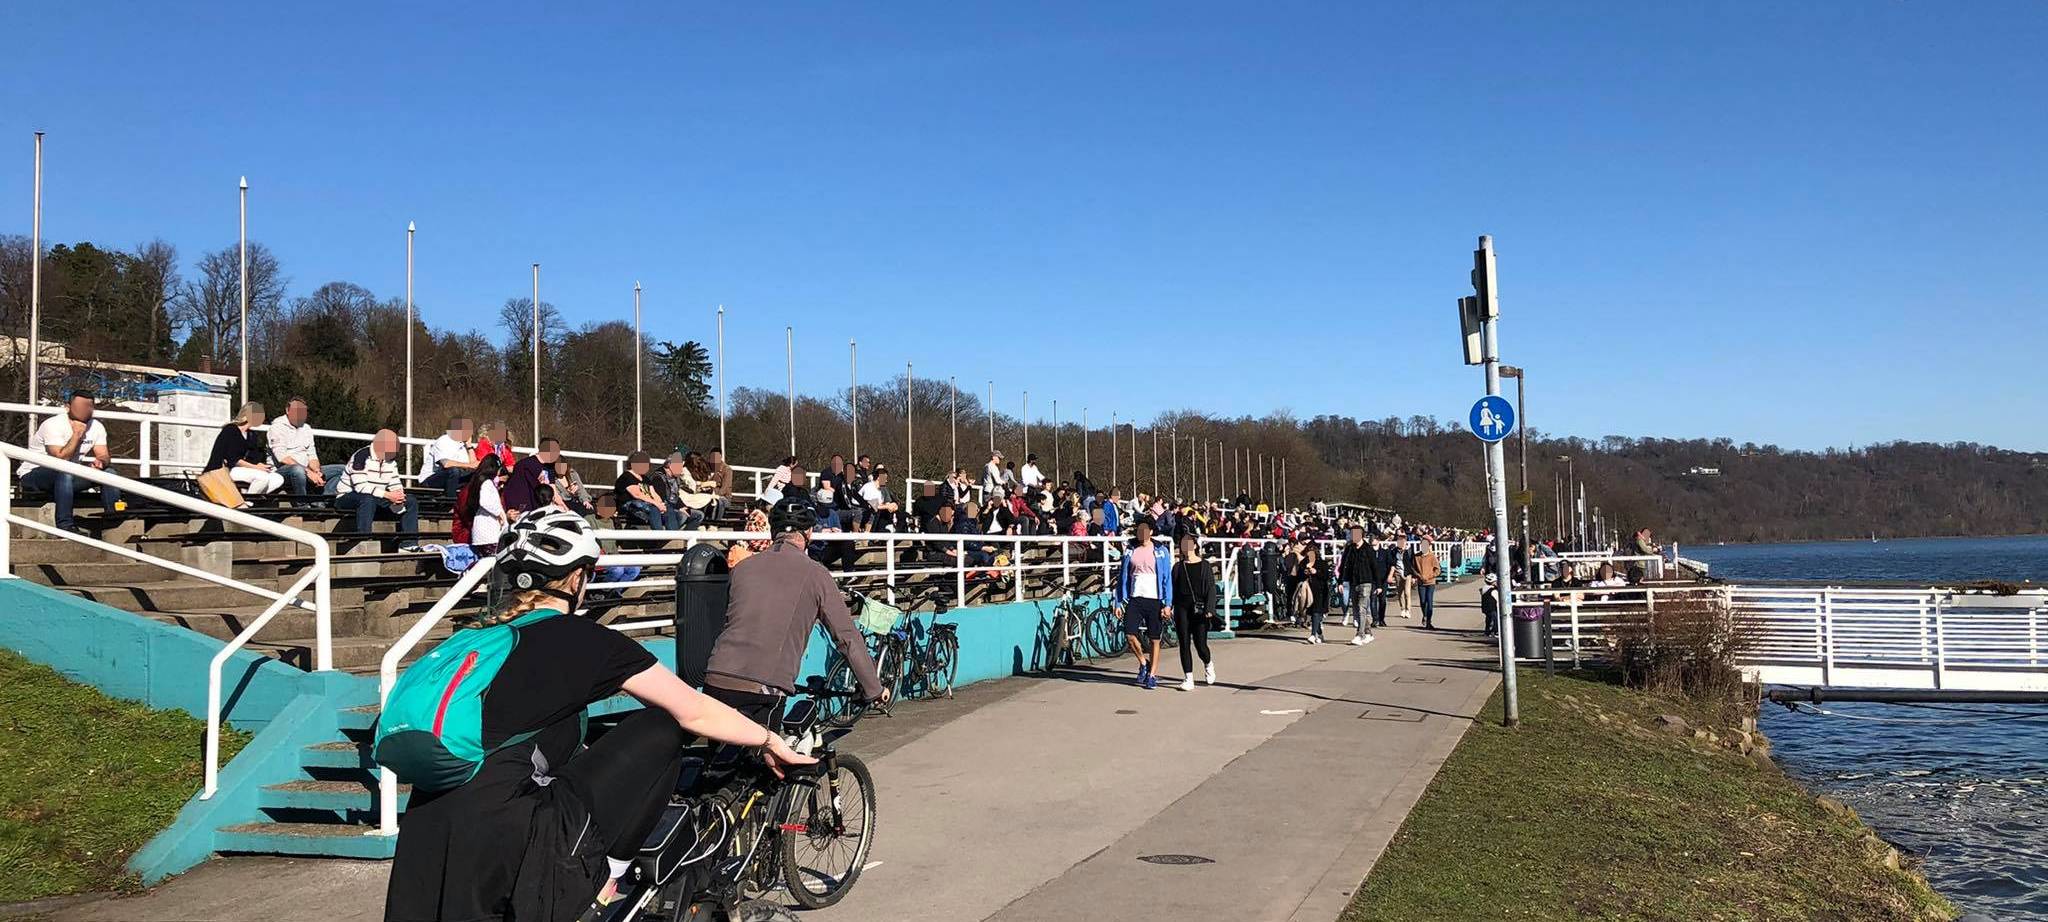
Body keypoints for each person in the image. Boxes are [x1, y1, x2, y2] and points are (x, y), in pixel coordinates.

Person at [382, 508, 811, 922]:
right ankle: (608, 880)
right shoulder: (584, 640)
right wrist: (771, 740)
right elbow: (692, 710)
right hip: (511, 847)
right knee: (661, 728)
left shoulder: (477, 638)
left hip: (426, 847)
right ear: (577, 578)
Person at [702, 497, 889, 726]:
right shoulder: (816, 574)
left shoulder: (742, 568)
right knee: (766, 758)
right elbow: (847, 636)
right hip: (762, 687)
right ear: (809, 532)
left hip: (716, 677)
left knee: (720, 757)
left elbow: (727, 621)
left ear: (773, 531)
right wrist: (873, 688)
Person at [17, 390, 119, 534]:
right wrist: (77, 434)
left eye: (88, 406)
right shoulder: (53, 424)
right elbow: (61, 458)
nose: (85, 410)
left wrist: (100, 462)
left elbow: (104, 454)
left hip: (69, 474)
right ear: (68, 407)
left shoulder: (96, 426)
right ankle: (65, 525)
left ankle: (113, 519)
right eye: (80, 406)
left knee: (110, 472)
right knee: (65, 473)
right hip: (35, 475)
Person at [334, 430, 421, 549]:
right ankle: (363, 539)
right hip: (348, 497)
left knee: (410, 500)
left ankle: (408, 544)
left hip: (377, 498)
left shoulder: (391, 461)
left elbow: (395, 482)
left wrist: (398, 496)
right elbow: (361, 487)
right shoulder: (361, 456)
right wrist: (388, 495)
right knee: (367, 499)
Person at [1113, 516, 1173, 689]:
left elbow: (1167, 579)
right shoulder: (1130, 549)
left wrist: (1167, 603)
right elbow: (1122, 576)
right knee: (1130, 634)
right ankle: (1143, 663)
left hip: (1155, 599)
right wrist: (1118, 602)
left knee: (1155, 638)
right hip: (1135, 597)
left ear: (1152, 532)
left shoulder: (1161, 551)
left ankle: (1152, 675)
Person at [267, 397, 342, 499]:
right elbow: (283, 458)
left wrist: (316, 471)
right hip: (284, 471)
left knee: (342, 470)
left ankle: (323, 499)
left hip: (307, 470)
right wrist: (308, 472)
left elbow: (312, 455)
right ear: (287, 410)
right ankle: (302, 504)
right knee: (298, 471)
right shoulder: (277, 427)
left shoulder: (307, 429)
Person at [207, 402, 285, 496]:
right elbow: (234, 460)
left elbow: (253, 457)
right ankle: (248, 502)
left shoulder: (251, 435)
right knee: (262, 478)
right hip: (229, 469)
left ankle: (250, 499)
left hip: (245, 468)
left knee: (278, 479)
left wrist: (259, 465)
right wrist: (256, 467)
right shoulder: (231, 430)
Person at [1170, 534, 1217, 691]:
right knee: (1183, 642)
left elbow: (1211, 587)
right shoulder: (1177, 567)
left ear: (1195, 546)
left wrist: (1210, 608)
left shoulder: (1204, 566)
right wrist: (1168, 606)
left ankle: (1208, 663)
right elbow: (1173, 589)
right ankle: (1188, 677)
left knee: (1200, 645)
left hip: (1200, 609)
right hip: (1181, 608)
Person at [453, 454, 508, 553]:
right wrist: (499, 513)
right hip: (486, 532)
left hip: (483, 531)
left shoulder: (480, 483)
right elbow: (484, 502)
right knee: (489, 561)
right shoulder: (486, 483)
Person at [615, 451, 679, 530]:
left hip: (647, 504)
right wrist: (656, 504)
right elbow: (637, 494)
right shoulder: (626, 477)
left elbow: (654, 493)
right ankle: (658, 536)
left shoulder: (645, 479)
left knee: (668, 508)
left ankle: (673, 536)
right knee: (653, 508)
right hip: (630, 505)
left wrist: (661, 504)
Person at [500, 437, 561, 517]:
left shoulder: (550, 467)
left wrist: (564, 508)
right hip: (523, 506)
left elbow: (553, 489)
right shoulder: (526, 465)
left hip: (542, 505)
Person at [420, 418, 478, 499]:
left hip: (454, 477)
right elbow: (446, 464)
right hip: (431, 480)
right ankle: (450, 504)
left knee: (477, 475)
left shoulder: (463, 445)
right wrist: (469, 465)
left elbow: (474, 464)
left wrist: (469, 446)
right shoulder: (444, 440)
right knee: (454, 471)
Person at [1340, 526, 1377, 646]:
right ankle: (1368, 633)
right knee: (1356, 609)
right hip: (1353, 582)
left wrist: (1378, 585)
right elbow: (1343, 565)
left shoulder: (1368, 549)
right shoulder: (1349, 549)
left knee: (1362, 608)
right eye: (1352, 534)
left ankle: (1359, 634)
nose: (1354, 536)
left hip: (1366, 582)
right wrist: (1341, 581)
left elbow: (1374, 567)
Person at [1408, 539, 1441, 629]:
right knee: (1423, 601)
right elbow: (1412, 568)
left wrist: (1430, 576)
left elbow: (1437, 570)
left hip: (1430, 582)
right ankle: (1425, 616)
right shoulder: (1416, 556)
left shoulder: (1432, 556)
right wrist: (1417, 576)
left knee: (1429, 601)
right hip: (1421, 582)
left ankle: (1429, 622)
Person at [859, 467, 900, 532]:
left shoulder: (880, 491)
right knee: (874, 513)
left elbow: (882, 504)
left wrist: (894, 505)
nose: (886, 481)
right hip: (861, 512)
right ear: (879, 478)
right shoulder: (869, 487)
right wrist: (888, 506)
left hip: (873, 513)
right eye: (885, 478)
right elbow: (874, 505)